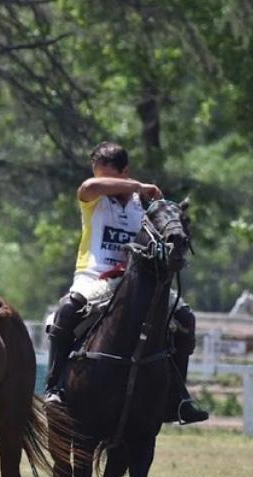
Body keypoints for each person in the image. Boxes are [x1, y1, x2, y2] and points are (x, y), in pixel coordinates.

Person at [42, 141, 208, 424]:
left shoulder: (144, 206)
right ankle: (55, 387)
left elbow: (166, 228)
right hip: (94, 276)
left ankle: (178, 396)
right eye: (98, 175)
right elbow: (89, 187)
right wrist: (138, 186)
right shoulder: (94, 198)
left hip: (140, 280)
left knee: (185, 319)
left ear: (125, 171)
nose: (102, 181)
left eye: (108, 176)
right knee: (67, 311)